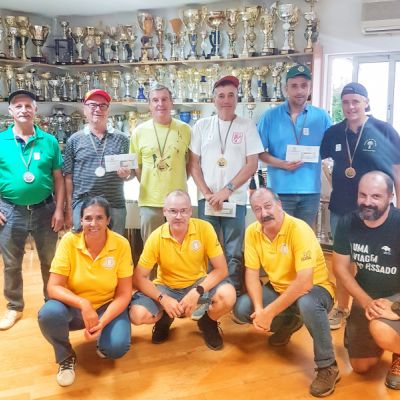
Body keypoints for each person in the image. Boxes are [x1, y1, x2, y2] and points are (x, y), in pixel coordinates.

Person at [233, 188, 339, 398]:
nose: (264, 213)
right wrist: (259, 309)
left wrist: (269, 313)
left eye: (268, 206)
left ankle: (328, 366)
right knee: (243, 308)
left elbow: (304, 282)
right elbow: (252, 274)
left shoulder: (299, 229)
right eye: (257, 209)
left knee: (307, 304)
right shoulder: (253, 231)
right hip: (279, 288)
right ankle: (290, 322)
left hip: (316, 289)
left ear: (279, 204)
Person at [321, 82, 400, 330]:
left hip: (375, 211)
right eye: (345, 102)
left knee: (377, 261)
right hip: (341, 208)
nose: (350, 106)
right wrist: (335, 184)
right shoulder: (334, 132)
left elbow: (397, 171)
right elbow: (325, 163)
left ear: (366, 102)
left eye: (356, 101)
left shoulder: (383, 130)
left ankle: (383, 305)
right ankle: (342, 307)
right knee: (342, 263)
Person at [38, 196, 133, 387]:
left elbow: (124, 293)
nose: (93, 223)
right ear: (80, 220)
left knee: (116, 348)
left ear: (108, 220)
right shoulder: (69, 241)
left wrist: (102, 322)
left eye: (99, 218)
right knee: (48, 314)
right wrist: (83, 304)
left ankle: (104, 340)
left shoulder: (121, 244)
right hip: (74, 307)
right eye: (88, 218)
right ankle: (65, 357)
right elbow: (53, 287)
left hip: (106, 306)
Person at [129, 190, 236, 351]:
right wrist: (163, 299)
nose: (178, 216)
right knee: (137, 315)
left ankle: (208, 322)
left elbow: (222, 270)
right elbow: (138, 278)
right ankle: (165, 317)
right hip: (166, 287)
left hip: (197, 284)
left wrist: (197, 291)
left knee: (228, 296)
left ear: (190, 211)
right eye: (173, 211)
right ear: (165, 212)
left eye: (183, 211)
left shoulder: (204, 228)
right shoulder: (156, 237)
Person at [190, 75, 263, 299]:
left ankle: (232, 292)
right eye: (221, 96)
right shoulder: (202, 126)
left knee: (233, 249)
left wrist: (227, 190)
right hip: (207, 200)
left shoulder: (247, 125)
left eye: (231, 95)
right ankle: (206, 292)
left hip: (235, 199)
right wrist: (207, 193)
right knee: (207, 247)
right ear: (214, 100)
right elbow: (193, 165)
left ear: (237, 98)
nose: (226, 100)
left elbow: (252, 164)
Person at [0, 89, 64, 330]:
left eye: (28, 105)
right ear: (10, 111)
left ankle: (52, 303)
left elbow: (58, 178)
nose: (24, 110)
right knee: (11, 263)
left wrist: (59, 210)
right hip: (10, 210)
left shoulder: (49, 141)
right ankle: (14, 306)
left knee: (50, 260)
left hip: (45, 209)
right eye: (18, 106)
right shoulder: (1, 141)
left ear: (35, 109)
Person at [332, 171, 400, 391]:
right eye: (363, 195)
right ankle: (384, 338)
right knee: (361, 366)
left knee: (381, 329)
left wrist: (396, 307)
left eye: (376, 196)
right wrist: (366, 301)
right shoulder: (347, 222)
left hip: (396, 297)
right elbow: (340, 268)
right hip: (367, 297)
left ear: (390, 197)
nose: (367, 202)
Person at [258, 64, 332, 227]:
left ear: (310, 88)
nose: (299, 91)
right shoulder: (270, 117)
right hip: (279, 191)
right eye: (294, 86)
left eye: (304, 86)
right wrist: (281, 164)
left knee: (304, 237)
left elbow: (330, 149)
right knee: (279, 236)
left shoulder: (322, 117)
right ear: (286, 89)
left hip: (310, 191)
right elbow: (258, 152)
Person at [63, 89, 132, 235]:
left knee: (114, 245)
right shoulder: (74, 140)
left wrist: (126, 175)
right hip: (82, 205)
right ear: (85, 109)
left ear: (108, 110)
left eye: (102, 105)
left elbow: (128, 174)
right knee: (83, 246)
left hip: (114, 205)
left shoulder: (122, 139)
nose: (98, 109)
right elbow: (68, 177)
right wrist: (69, 208)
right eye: (93, 105)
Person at [130, 84, 191, 243]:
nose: (160, 104)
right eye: (155, 100)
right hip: (150, 202)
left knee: (180, 248)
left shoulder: (186, 130)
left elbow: (190, 163)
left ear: (172, 102)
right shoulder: (138, 132)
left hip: (179, 204)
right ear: (149, 105)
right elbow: (137, 166)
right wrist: (150, 184)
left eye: (164, 99)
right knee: (151, 249)